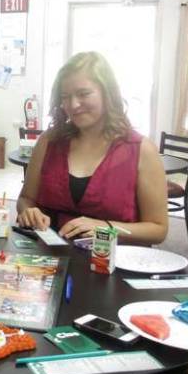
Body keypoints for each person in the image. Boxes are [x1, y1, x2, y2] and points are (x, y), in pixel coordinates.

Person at [16, 51, 168, 244]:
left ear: (108, 93)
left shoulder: (141, 150)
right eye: (65, 96)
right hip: (49, 257)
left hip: (112, 261)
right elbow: (26, 199)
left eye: (83, 94)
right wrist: (29, 211)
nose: (73, 104)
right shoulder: (48, 141)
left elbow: (158, 229)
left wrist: (105, 227)